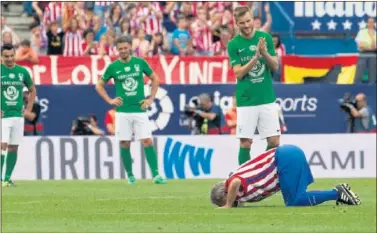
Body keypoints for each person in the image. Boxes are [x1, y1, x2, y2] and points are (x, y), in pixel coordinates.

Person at [95, 36, 167, 185]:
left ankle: (156, 175)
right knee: (124, 143)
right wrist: (110, 100)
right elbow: (99, 85)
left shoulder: (140, 63)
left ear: (130, 48)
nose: (123, 51)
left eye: (125, 48)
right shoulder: (113, 67)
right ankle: (130, 175)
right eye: (120, 48)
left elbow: (155, 79)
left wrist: (151, 99)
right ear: (117, 50)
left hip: (139, 109)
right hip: (122, 111)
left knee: (147, 141)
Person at [210, 144, 361, 208]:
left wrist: (228, 205)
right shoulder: (232, 180)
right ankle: (338, 193)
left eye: (223, 202)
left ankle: (337, 193)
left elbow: (236, 182)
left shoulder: (231, 182)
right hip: (287, 154)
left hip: (284, 158)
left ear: (224, 193)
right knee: (297, 198)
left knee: (294, 202)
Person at [227, 6, 280, 166]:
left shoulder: (265, 38)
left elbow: (275, 66)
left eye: (249, 21)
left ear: (253, 19)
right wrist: (255, 57)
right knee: (245, 143)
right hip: (246, 99)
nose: (247, 25)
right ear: (237, 24)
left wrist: (264, 53)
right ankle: (244, 178)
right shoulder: (234, 44)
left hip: (266, 97)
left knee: (274, 141)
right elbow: (238, 73)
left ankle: (258, 169)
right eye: (242, 23)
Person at [1, 44, 37, 187]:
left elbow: (32, 90)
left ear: (15, 55)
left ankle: (7, 178)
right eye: (6, 56)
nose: (9, 59)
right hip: (3, 116)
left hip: (17, 115)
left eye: (11, 56)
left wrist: (28, 109)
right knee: (2, 145)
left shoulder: (22, 72)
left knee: (13, 147)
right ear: (1, 57)